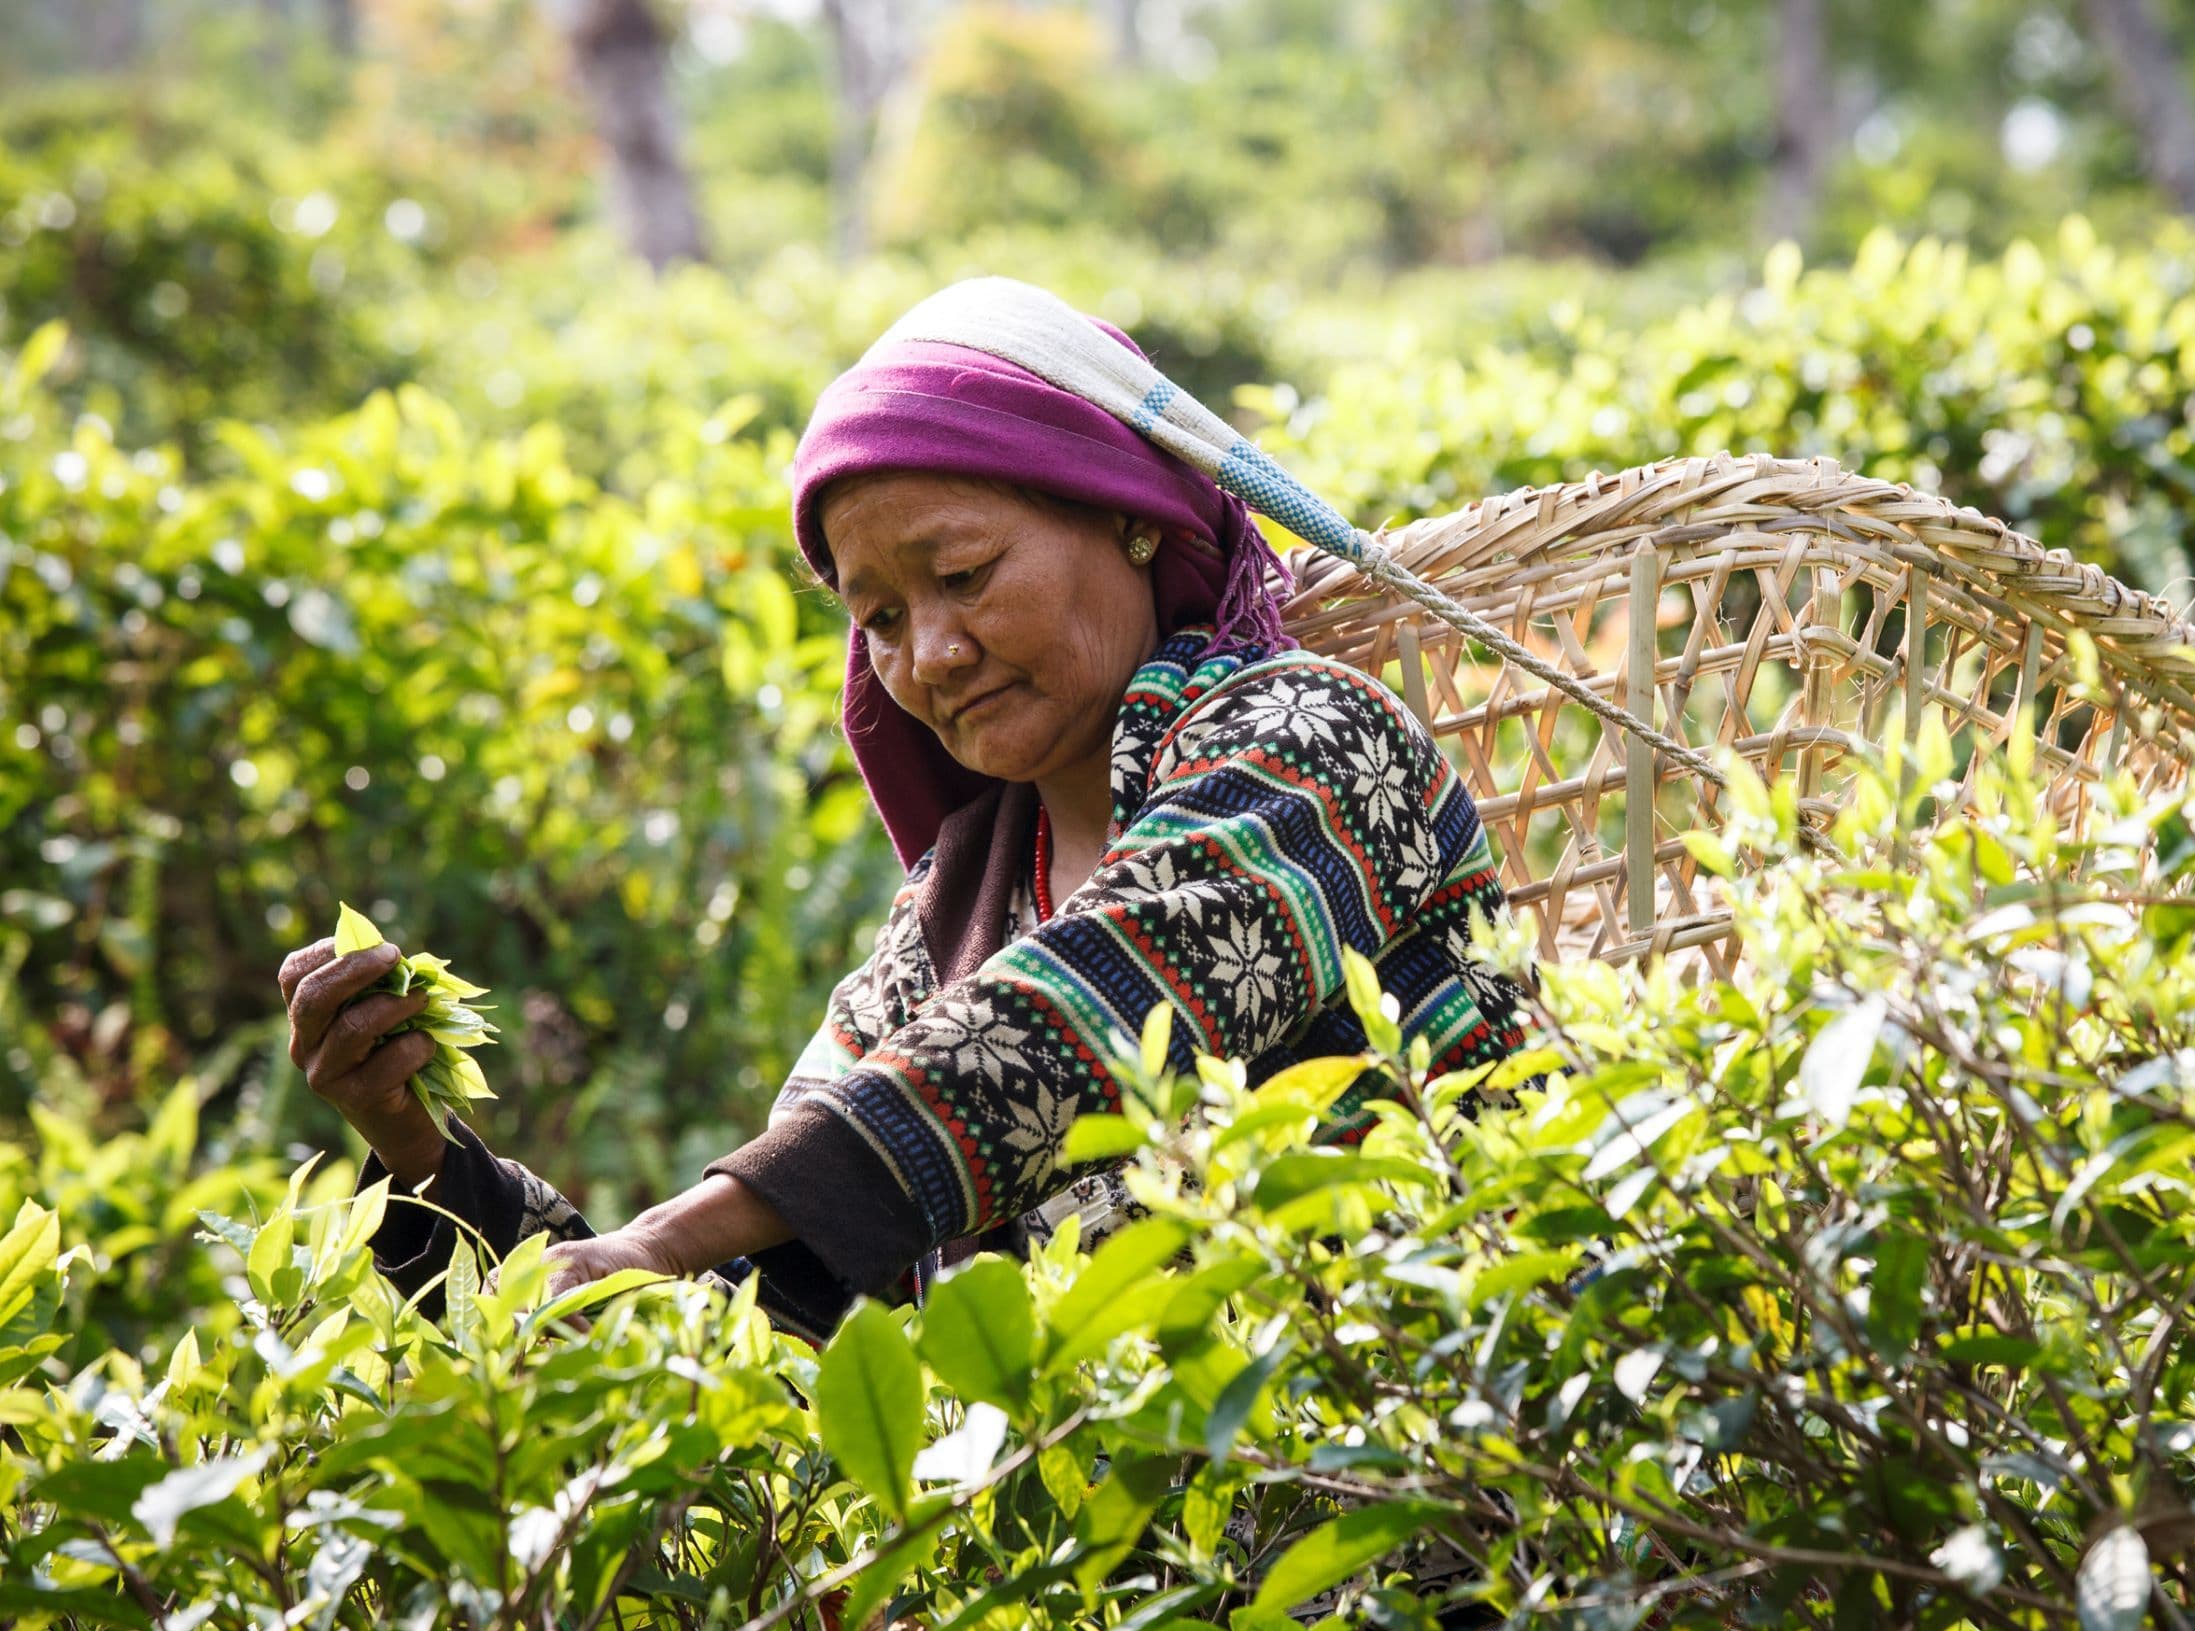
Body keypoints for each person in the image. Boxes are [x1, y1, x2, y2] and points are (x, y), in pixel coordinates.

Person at [277, 279, 1528, 1342]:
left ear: (1128, 519)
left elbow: (1087, 1007)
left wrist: (664, 1238)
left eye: (964, 575)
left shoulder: (1312, 735)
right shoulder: (946, 925)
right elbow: (752, 1299)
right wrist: (420, 1153)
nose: (927, 654)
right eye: (876, 617)